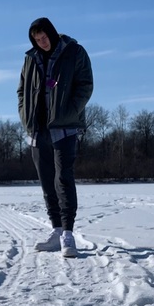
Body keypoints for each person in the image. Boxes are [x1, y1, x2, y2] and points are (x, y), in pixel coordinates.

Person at [17, 17, 94, 257]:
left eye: (44, 37)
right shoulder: (30, 59)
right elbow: (21, 91)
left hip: (64, 128)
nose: (42, 43)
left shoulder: (74, 52)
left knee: (64, 178)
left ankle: (68, 235)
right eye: (37, 40)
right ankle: (57, 230)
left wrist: (69, 112)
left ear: (51, 33)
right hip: (37, 129)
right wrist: (25, 116)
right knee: (47, 182)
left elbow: (85, 85)